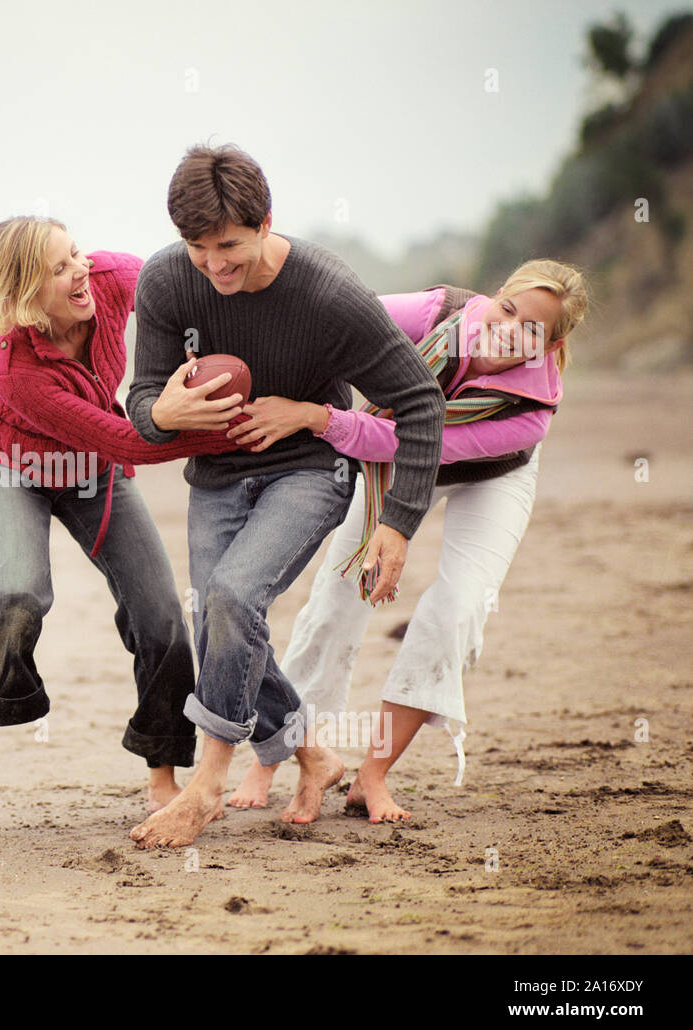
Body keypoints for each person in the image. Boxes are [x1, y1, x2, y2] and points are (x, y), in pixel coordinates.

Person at [124, 144, 446, 849]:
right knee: (221, 621)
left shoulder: (326, 294)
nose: (214, 264)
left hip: (310, 468)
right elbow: (141, 401)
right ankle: (313, 755)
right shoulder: (167, 280)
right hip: (216, 474)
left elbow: (420, 402)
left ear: (267, 222)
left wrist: (397, 522)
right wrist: (165, 414)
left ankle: (207, 784)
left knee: (234, 599)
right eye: (197, 247)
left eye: (229, 245)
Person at [0, 215, 257, 834]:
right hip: (7, 463)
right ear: (25, 295)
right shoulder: (14, 370)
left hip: (91, 464)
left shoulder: (109, 278)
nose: (82, 270)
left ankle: (163, 771)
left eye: (74, 253)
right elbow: (132, 440)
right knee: (16, 589)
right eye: (59, 268)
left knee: (159, 611)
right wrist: (184, 419)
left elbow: (188, 276)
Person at [226, 260, 589, 822]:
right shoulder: (434, 313)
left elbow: (412, 446)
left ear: (552, 343)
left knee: (461, 605)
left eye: (532, 329)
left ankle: (374, 772)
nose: (508, 328)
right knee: (337, 592)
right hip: (395, 443)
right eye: (508, 308)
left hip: (480, 467)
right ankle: (280, 756)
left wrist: (316, 418)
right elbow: (332, 321)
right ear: (495, 296)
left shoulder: (530, 415)